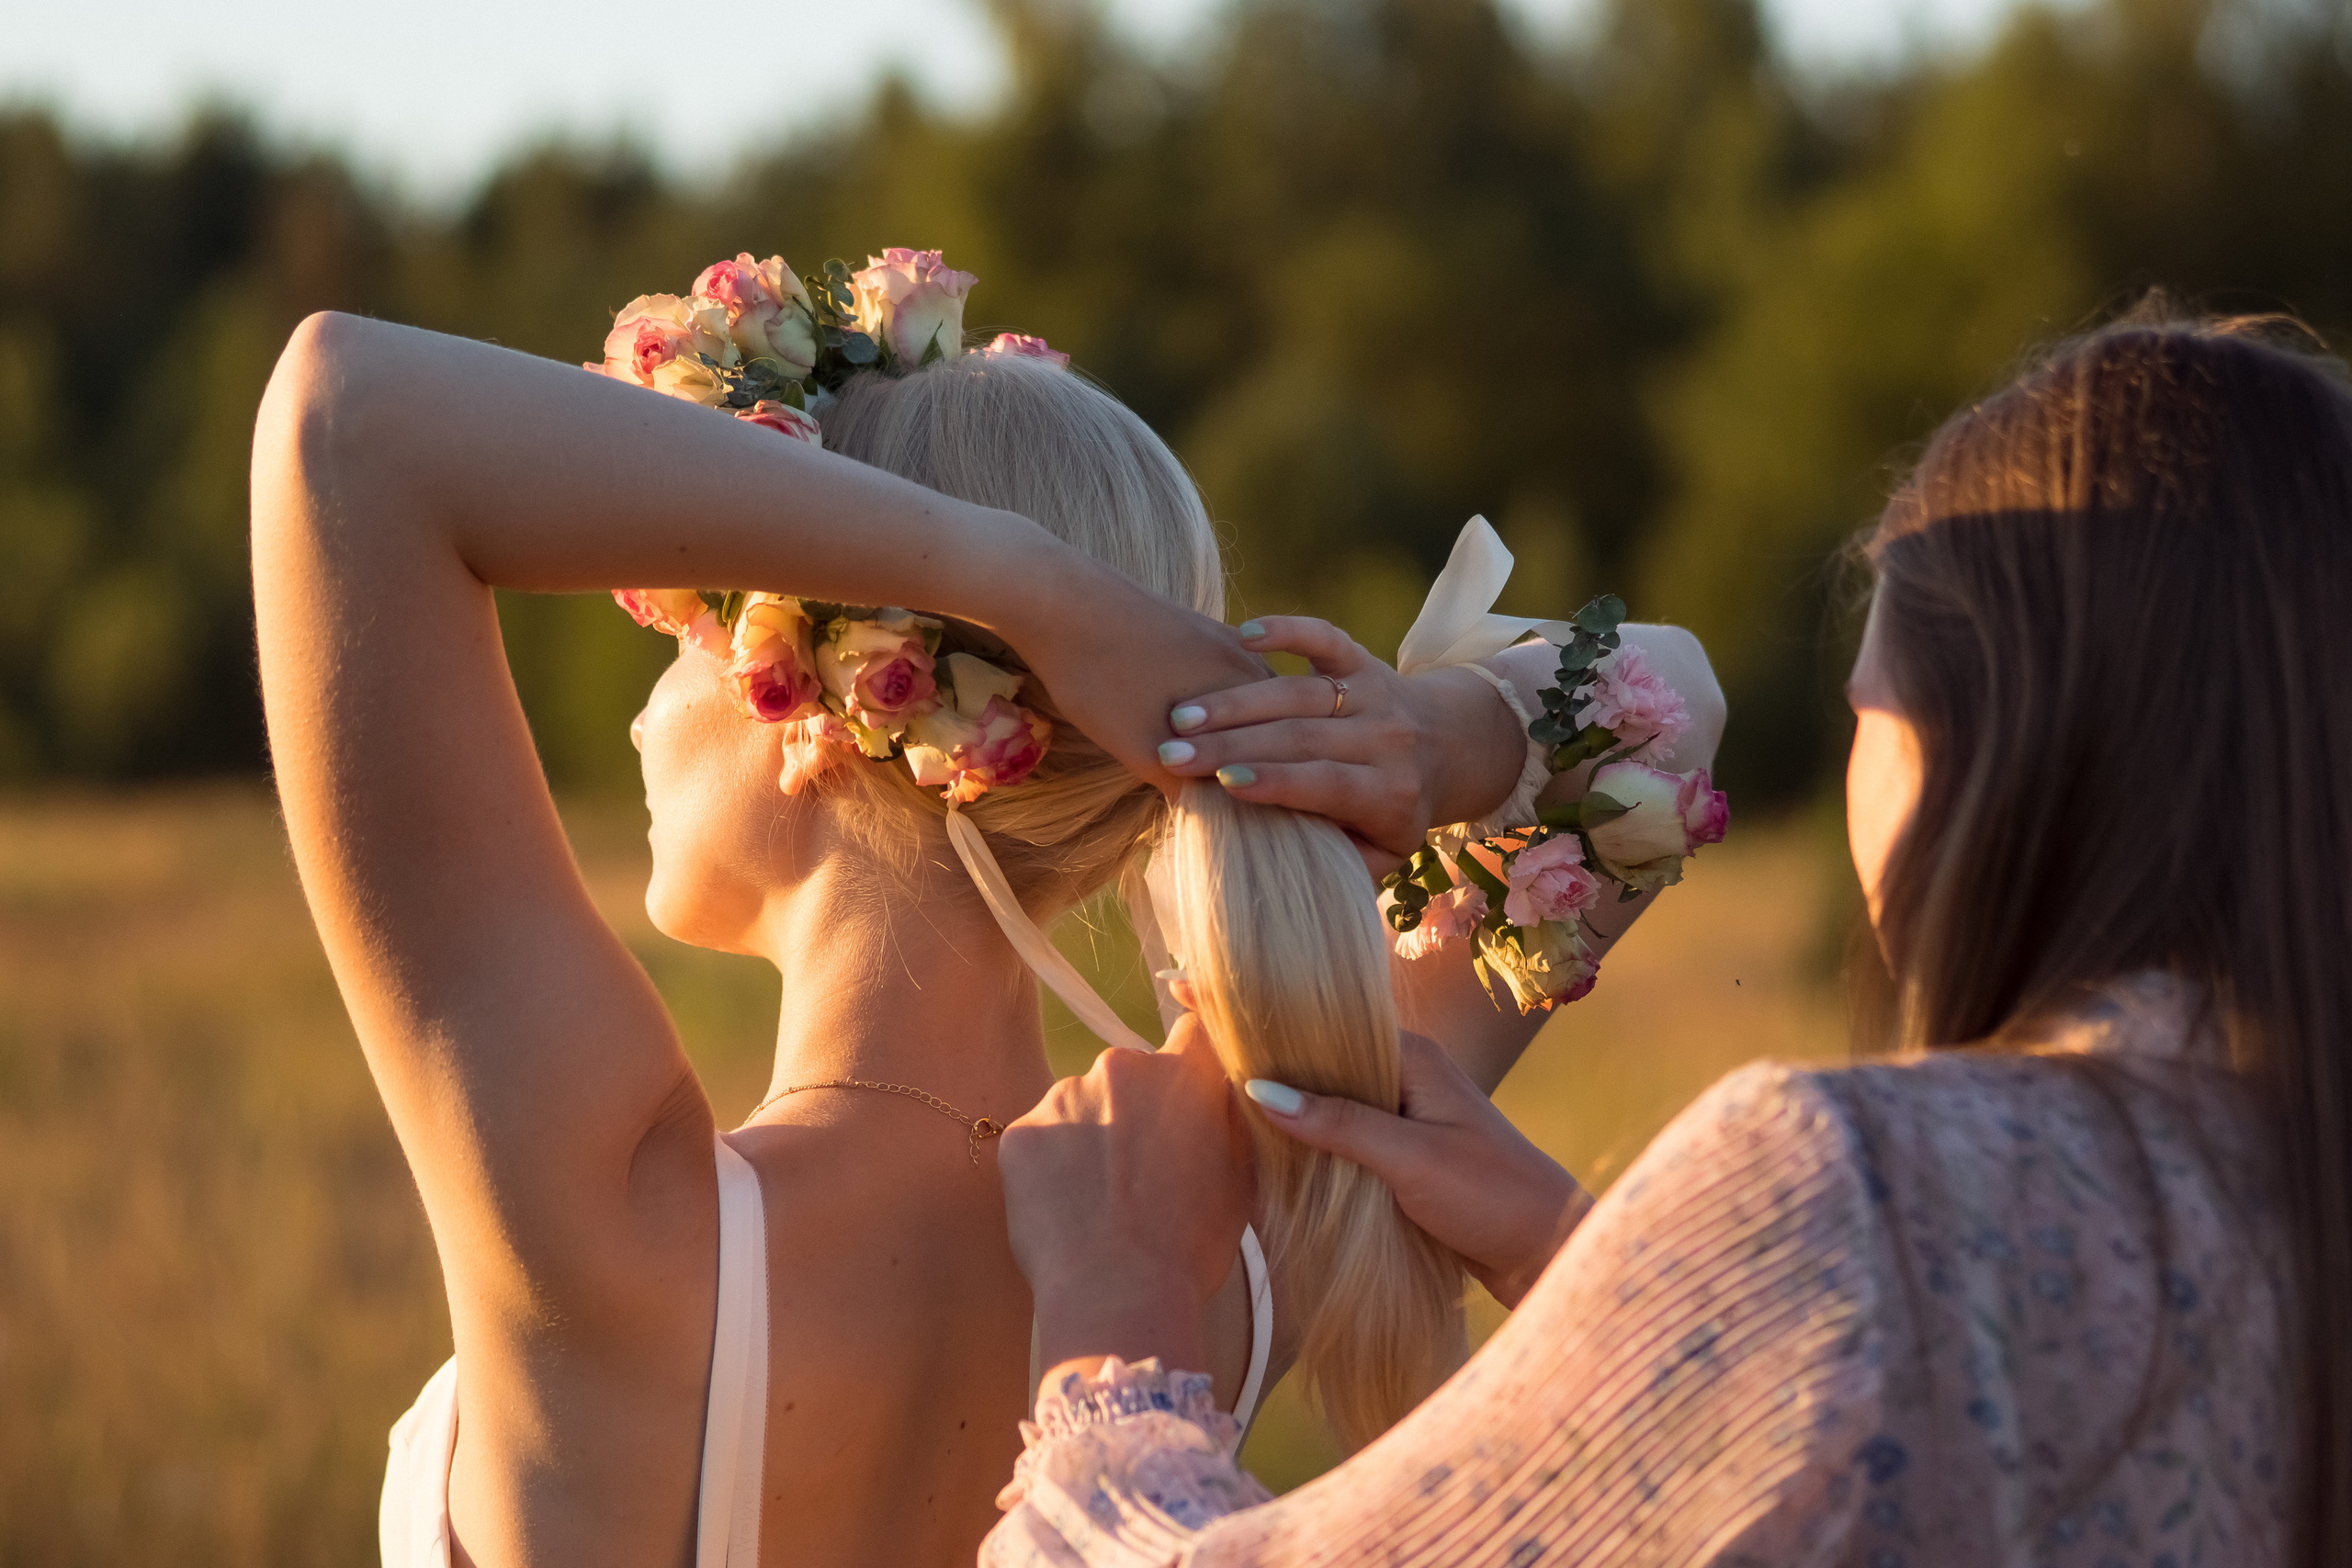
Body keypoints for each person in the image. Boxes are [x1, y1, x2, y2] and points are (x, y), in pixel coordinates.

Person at [249, 306, 1719, 1568]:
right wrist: (1425, 736)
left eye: (691, 641)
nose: (650, 710)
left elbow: (342, 418)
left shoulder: (610, 1227)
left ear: (814, 710)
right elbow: (1673, 696)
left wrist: (1015, 582)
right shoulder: (1248, 1196)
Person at [987, 313, 2351, 1567]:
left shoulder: (1855, 1183)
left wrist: (1121, 1323)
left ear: (1995, 751)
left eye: (1868, 708)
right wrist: (1603, 1272)